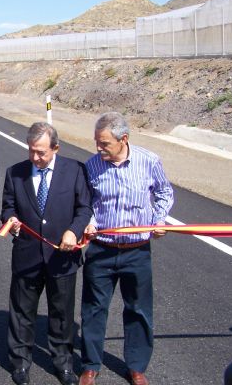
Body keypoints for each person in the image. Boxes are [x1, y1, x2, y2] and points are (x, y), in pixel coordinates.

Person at [79, 112, 174, 385]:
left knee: (138, 309)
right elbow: (86, 202)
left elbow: (164, 192)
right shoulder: (92, 166)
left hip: (137, 251)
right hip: (101, 250)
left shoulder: (149, 161)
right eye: (97, 142)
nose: (99, 148)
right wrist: (90, 223)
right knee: (94, 309)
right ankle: (90, 365)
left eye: (104, 143)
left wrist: (159, 220)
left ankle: (136, 367)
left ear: (124, 139)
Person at [1, 123, 92, 385]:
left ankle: (63, 363)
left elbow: (84, 208)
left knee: (62, 313)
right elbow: (7, 207)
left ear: (56, 148)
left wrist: (74, 231)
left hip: (62, 256)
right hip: (27, 255)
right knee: (22, 312)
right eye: (31, 151)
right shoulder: (15, 173)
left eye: (41, 152)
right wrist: (11, 220)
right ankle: (20, 363)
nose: (35, 157)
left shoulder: (75, 170)